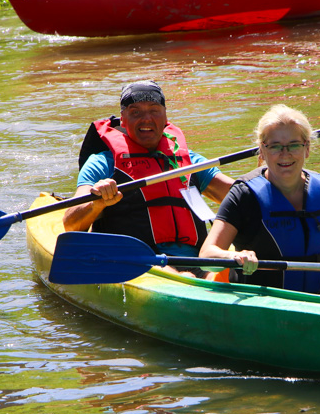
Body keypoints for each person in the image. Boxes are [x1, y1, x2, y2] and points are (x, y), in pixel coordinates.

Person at [199, 104, 320, 293]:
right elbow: (207, 253)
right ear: (263, 150)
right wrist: (235, 256)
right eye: (275, 146)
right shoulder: (243, 196)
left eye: (293, 145)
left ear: (307, 148)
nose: (285, 154)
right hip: (259, 303)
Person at [63, 81, 234, 277]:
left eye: (154, 111)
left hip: (196, 261)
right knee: (185, 278)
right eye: (136, 112)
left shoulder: (191, 161)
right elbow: (71, 224)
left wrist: (264, 176)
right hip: (139, 264)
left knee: (226, 273)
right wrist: (96, 204)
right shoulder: (102, 163)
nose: (146, 119)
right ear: (123, 120)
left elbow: (238, 197)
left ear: (165, 117)